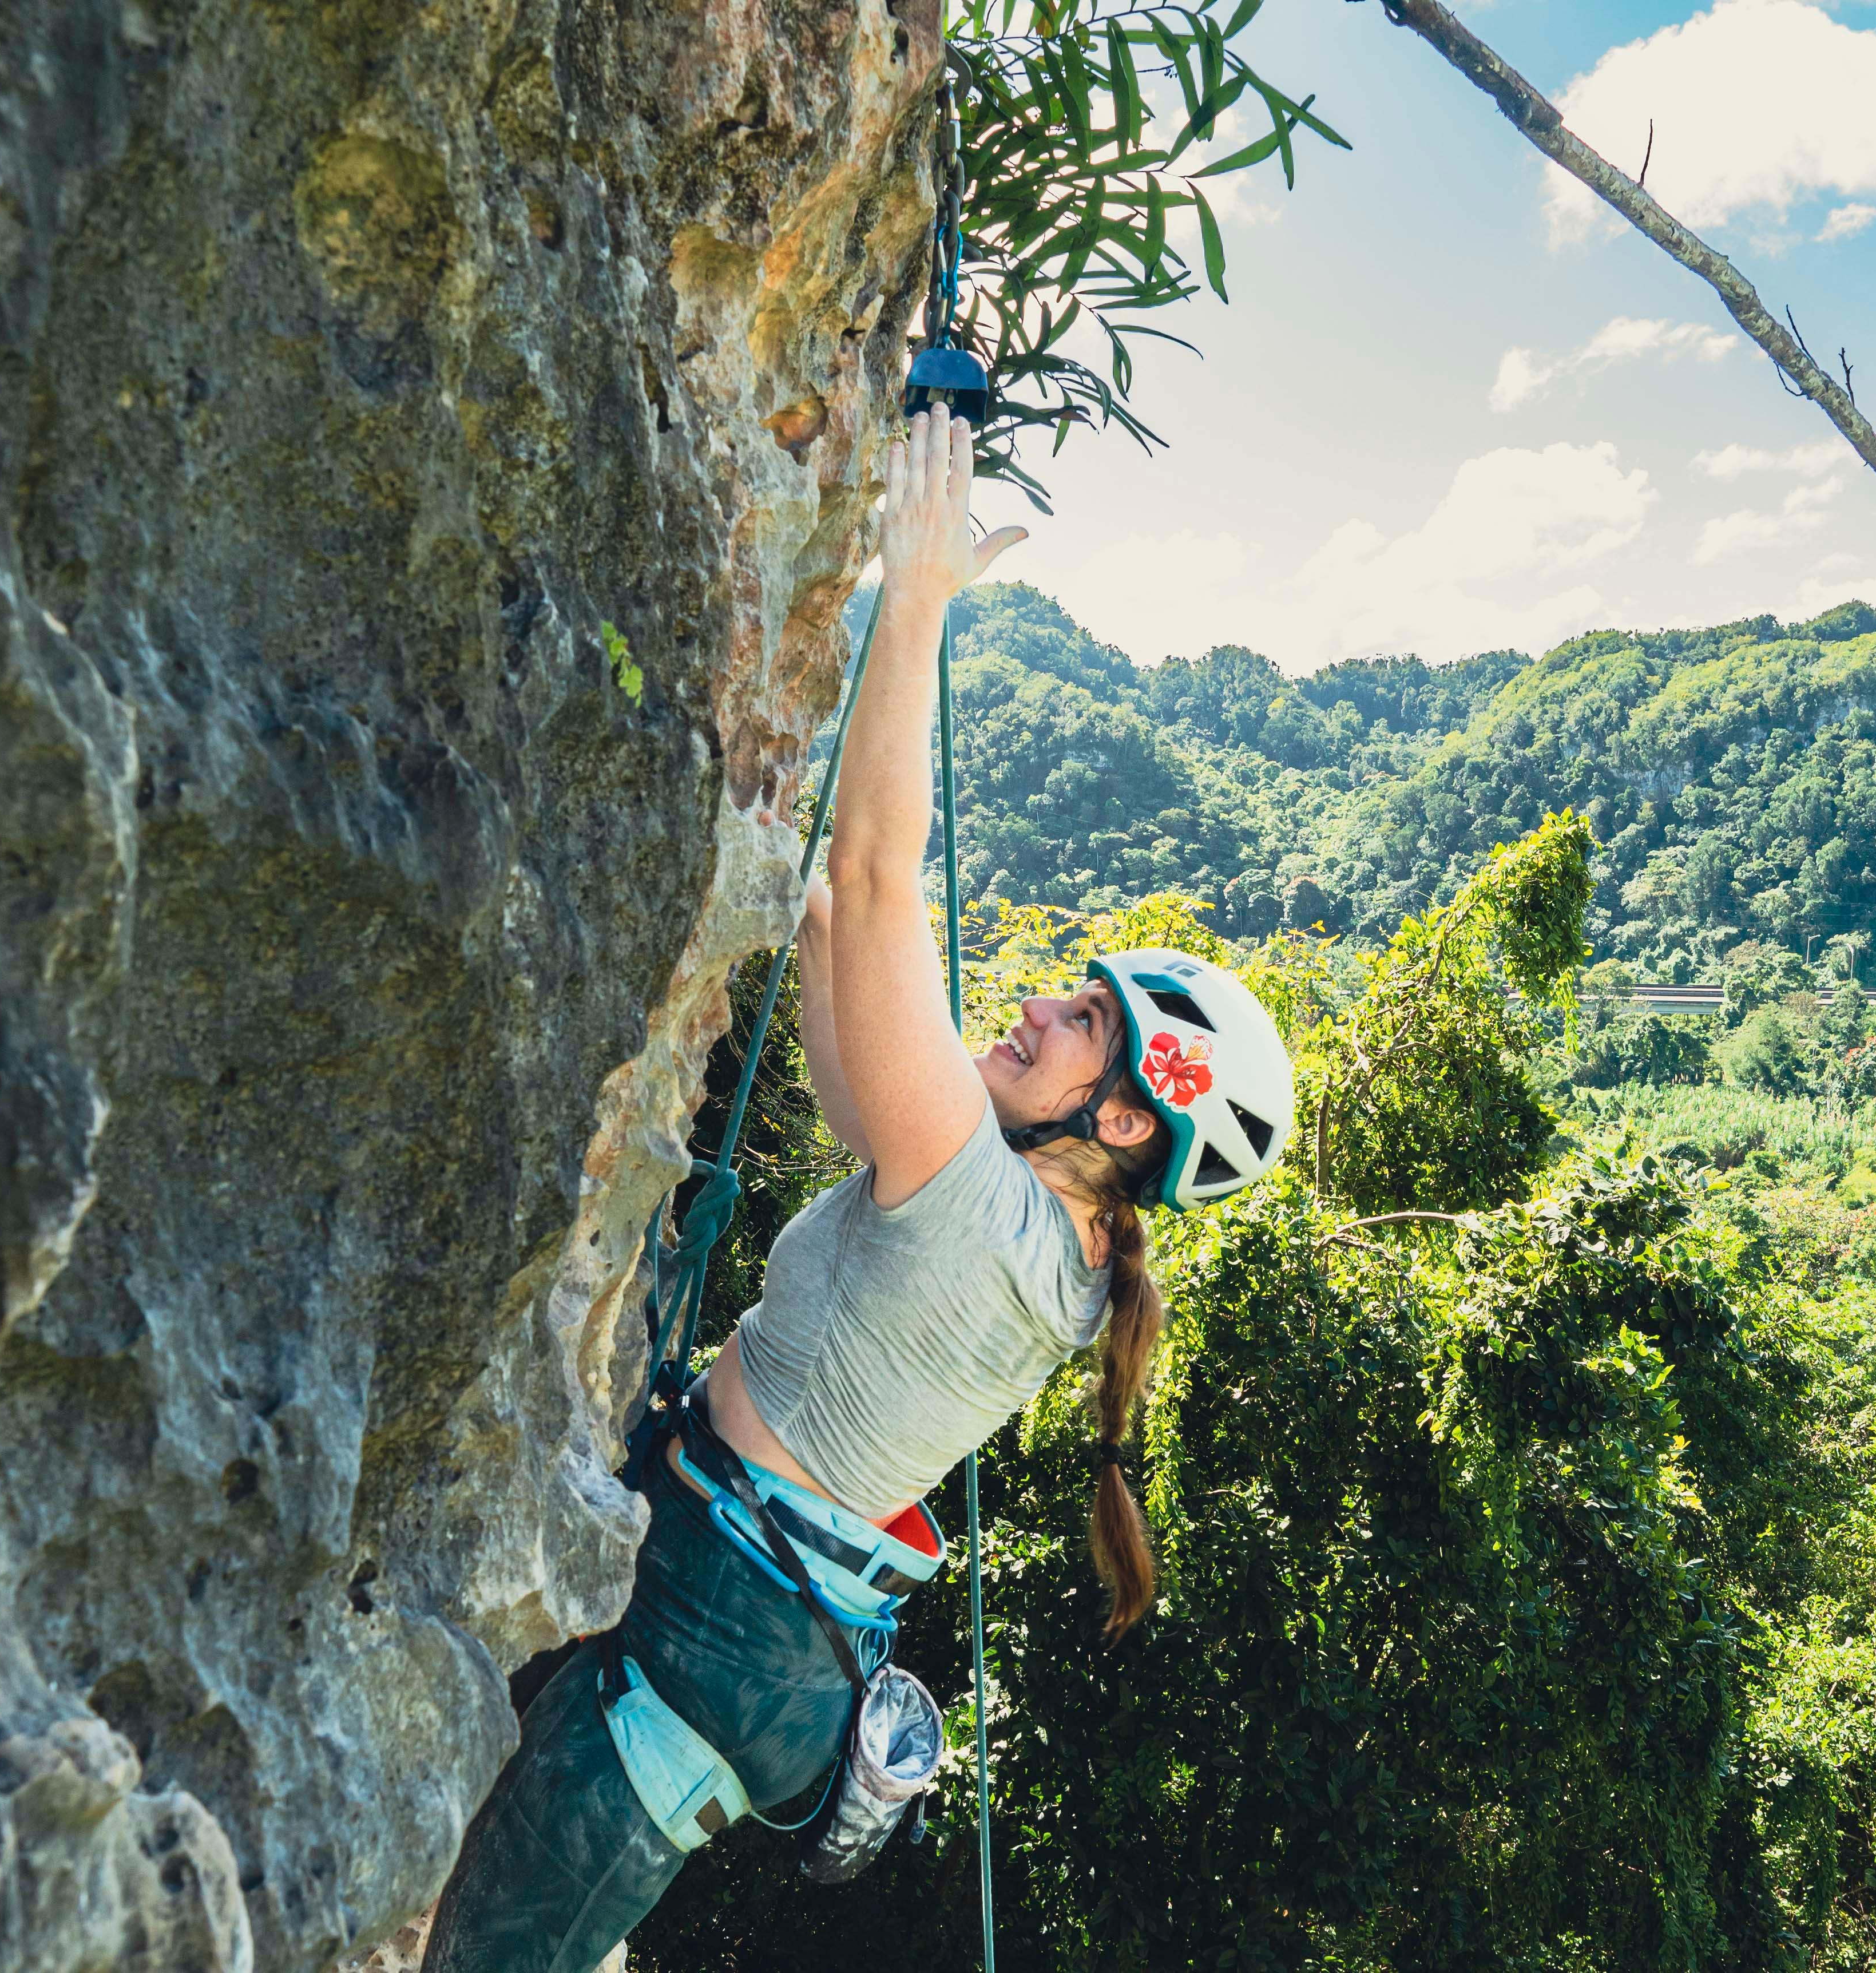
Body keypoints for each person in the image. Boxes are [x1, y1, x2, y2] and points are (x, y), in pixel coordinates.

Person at [423, 405, 1294, 1973]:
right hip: (745, 1633)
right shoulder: (1045, 1236)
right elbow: (848, 985)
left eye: (1079, 1021)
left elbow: (884, 880)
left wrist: (917, 593)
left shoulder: (986, 1217)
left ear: (1121, 1115)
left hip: (713, 1641)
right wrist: (805, 860)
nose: (1035, 1007)